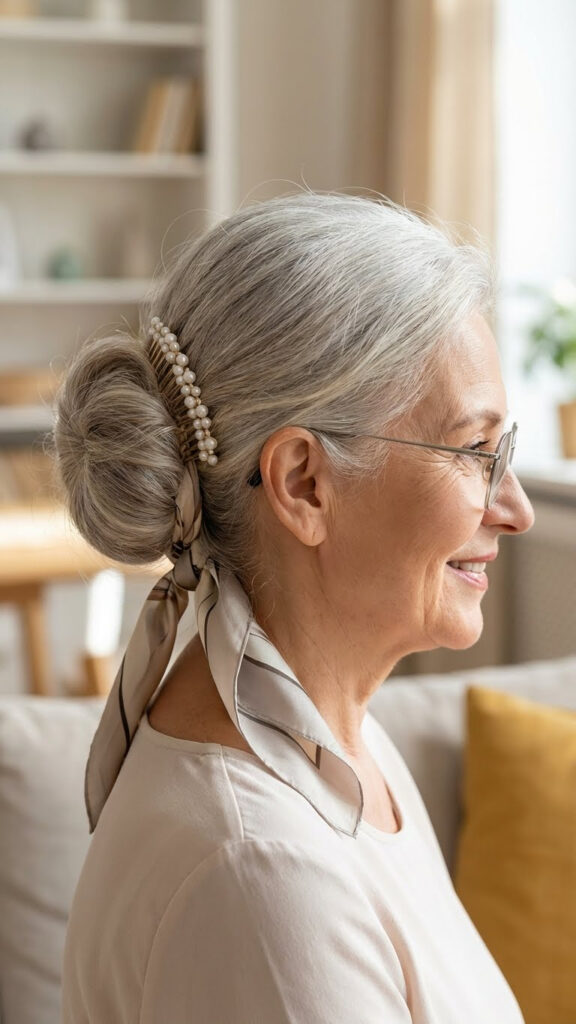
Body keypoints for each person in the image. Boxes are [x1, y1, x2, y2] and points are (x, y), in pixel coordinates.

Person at [54, 192, 533, 1023]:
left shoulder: (334, 745)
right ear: (304, 483)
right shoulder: (265, 876)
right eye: (473, 451)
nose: (516, 508)